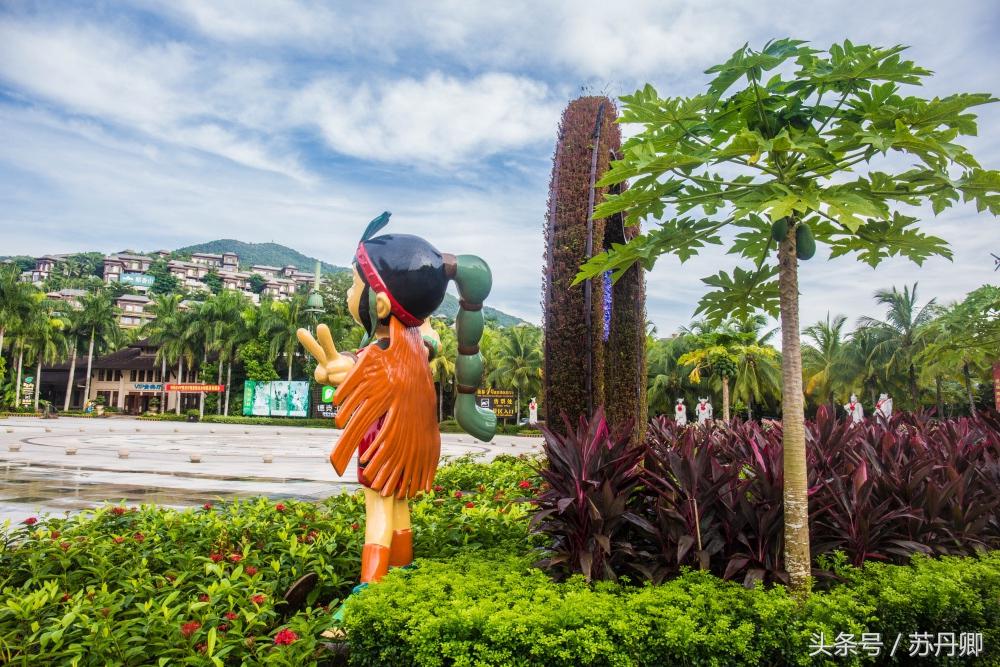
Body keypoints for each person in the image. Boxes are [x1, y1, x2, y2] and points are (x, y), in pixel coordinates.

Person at [297, 211, 496, 586]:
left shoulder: (388, 352)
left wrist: (344, 365)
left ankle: (370, 590)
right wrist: (341, 367)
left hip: (382, 442)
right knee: (399, 501)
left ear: (382, 306)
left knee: (379, 509)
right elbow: (403, 350)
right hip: (405, 438)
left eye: (356, 286)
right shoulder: (416, 347)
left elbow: (362, 364)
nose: (348, 294)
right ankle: (403, 572)